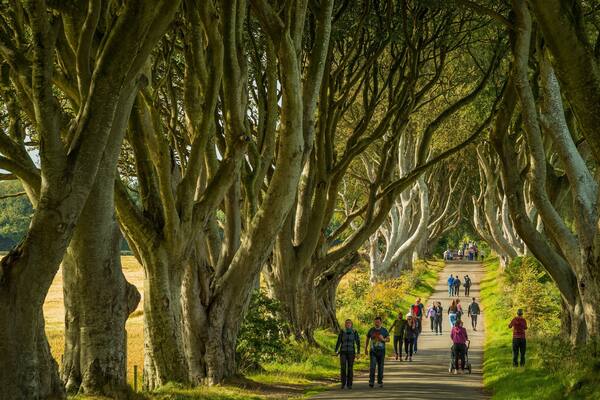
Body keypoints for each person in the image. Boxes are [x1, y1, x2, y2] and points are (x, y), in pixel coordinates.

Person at [335, 319, 360, 389]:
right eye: (346, 323)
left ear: (351, 325)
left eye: (349, 323)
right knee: (343, 368)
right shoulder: (342, 331)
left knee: (350, 368)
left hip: (351, 352)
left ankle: (349, 384)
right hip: (343, 352)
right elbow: (338, 342)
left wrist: (358, 352)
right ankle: (343, 383)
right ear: (345, 325)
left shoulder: (354, 332)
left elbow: (358, 342)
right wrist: (336, 351)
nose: (348, 324)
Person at [365, 316, 390, 388]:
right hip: (373, 351)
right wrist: (366, 348)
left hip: (381, 351)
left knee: (380, 367)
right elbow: (367, 338)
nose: (377, 323)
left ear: (381, 322)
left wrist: (383, 339)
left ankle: (380, 381)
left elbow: (388, 339)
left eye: (378, 322)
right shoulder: (371, 330)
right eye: (375, 322)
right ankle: (371, 381)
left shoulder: (384, 330)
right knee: (372, 366)